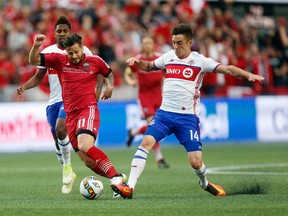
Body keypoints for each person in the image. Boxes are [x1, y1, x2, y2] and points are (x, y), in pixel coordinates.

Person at [111, 23, 265, 199]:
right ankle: (129, 187)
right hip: (164, 115)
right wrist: (137, 62)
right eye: (174, 42)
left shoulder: (200, 61)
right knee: (146, 142)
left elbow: (227, 69)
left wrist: (248, 75)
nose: (176, 47)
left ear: (189, 42)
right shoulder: (168, 57)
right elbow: (150, 66)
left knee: (196, 162)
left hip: (187, 119)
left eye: (180, 43)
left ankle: (205, 183)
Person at [28, 33, 126, 196]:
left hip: (88, 109)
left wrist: (110, 87)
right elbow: (33, 60)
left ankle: (115, 178)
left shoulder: (95, 61)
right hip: (71, 115)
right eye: (70, 53)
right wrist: (36, 45)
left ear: (82, 48)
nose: (73, 56)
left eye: (76, 51)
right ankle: (118, 177)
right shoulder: (59, 60)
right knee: (88, 161)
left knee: (84, 145)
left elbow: (108, 73)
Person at [17, 16, 98, 194]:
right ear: (54, 33)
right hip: (54, 101)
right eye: (59, 31)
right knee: (57, 134)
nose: (62, 34)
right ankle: (65, 163)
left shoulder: (83, 51)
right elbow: (38, 77)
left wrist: (94, 94)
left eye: (65, 31)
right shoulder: (50, 51)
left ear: (70, 32)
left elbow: (97, 71)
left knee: (61, 128)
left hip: (72, 99)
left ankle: (67, 169)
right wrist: (24, 86)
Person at [124, 36, 169, 169]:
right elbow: (128, 73)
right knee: (153, 124)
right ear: (142, 45)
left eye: (150, 43)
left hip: (158, 96)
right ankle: (159, 158)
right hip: (145, 97)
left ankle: (134, 132)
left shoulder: (160, 58)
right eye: (145, 43)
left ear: (153, 44)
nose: (148, 45)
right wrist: (130, 81)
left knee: (159, 125)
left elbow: (168, 72)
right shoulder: (138, 59)